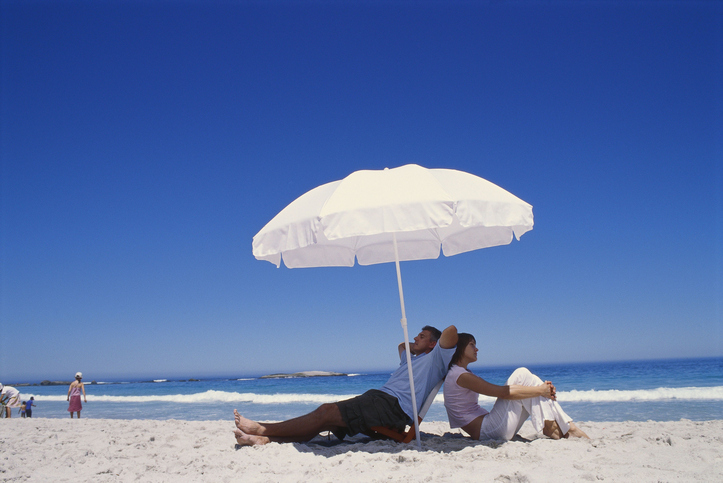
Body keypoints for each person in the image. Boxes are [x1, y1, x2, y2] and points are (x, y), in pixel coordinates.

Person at [233, 325, 458, 446]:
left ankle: (263, 428)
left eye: (421, 336)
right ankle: (266, 439)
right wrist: (419, 344)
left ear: (433, 343)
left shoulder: (435, 360)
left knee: (325, 411)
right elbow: (401, 345)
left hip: (393, 406)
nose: (415, 338)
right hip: (379, 399)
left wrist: (432, 344)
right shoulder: (412, 359)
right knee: (326, 419)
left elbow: (451, 332)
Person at [443, 333, 589, 441]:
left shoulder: (459, 373)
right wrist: (540, 390)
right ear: (460, 348)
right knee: (522, 374)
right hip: (488, 431)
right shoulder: (461, 376)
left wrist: (541, 390)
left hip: (491, 428)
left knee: (530, 379)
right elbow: (502, 393)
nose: (477, 349)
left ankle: (559, 426)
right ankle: (563, 427)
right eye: (472, 345)